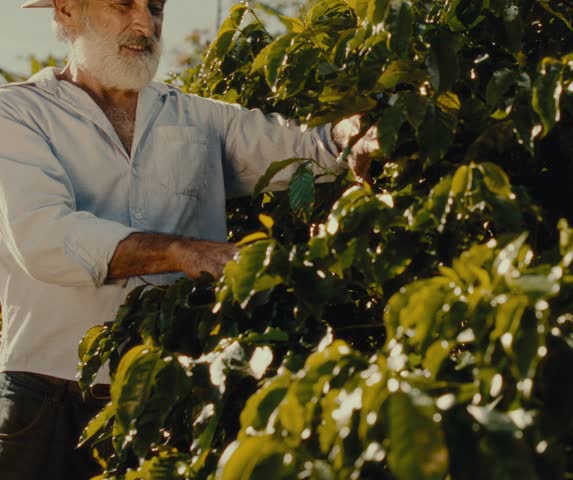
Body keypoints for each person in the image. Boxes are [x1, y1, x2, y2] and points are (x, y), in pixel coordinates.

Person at [0, 0, 378, 478]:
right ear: (67, 11)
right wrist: (183, 252)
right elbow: (44, 238)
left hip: (172, 396)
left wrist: (353, 133)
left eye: (155, 7)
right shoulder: (18, 113)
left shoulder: (197, 116)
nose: (145, 24)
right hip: (48, 402)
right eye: (123, 4)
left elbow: (311, 147)